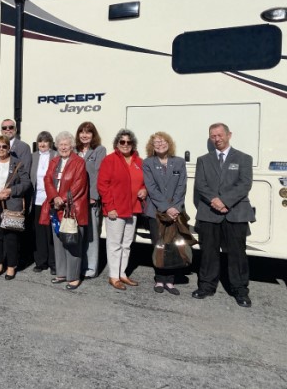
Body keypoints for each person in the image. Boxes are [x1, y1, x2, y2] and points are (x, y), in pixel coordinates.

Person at [192, 123, 255, 308]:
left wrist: (225, 201)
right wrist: (214, 200)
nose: (217, 139)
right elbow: (200, 184)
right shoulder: (203, 160)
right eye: (213, 136)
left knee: (237, 255)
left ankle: (240, 290)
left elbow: (245, 184)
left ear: (229, 135)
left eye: (220, 135)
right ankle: (206, 287)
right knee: (208, 253)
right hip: (209, 213)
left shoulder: (244, 158)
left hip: (235, 213)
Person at [98, 129, 147, 291]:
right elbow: (102, 186)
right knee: (114, 244)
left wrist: (144, 189)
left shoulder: (139, 162)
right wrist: (109, 207)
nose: (125, 145)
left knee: (127, 244)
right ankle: (113, 276)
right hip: (116, 210)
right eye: (122, 142)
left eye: (128, 142)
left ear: (133, 144)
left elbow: (145, 181)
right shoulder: (109, 160)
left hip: (133, 208)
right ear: (117, 144)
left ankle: (122, 274)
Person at [39, 131, 88, 290]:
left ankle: (73, 276)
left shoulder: (79, 162)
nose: (63, 147)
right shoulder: (54, 161)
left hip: (71, 209)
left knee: (72, 242)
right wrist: (54, 197)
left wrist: (63, 199)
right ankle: (61, 273)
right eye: (61, 144)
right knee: (59, 241)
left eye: (66, 144)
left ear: (72, 146)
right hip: (56, 207)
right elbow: (47, 179)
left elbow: (79, 185)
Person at [143, 132, 187, 295]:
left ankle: (171, 281)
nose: (160, 144)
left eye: (163, 141)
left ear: (169, 143)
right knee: (159, 245)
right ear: (152, 147)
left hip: (176, 211)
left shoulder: (179, 162)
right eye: (156, 143)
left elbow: (182, 186)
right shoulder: (148, 163)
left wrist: (175, 207)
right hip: (156, 212)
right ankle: (160, 279)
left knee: (173, 245)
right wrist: (166, 208)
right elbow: (151, 188)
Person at [0, 135, 31, 280]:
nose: (1, 149)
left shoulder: (17, 163)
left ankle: (11, 266)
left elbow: (26, 183)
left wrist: (11, 191)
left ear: (9, 148)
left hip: (11, 205)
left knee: (11, 237)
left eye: (4, 146)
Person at [75, 121, 106, 279]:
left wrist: (94, 196)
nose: (84, 135)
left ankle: (90, 268)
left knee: (91, 236)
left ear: (93, 135)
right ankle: (77, 265)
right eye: (82, 132)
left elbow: (100, 174)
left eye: (88, 132)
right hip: (75, 200)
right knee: (76, 234)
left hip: (90, 199)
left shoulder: (99, 150)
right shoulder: (74, 150)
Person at [30, 131, 57, 274]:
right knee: (39, 232)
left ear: (50, 143)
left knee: (52, 233)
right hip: (37, 200)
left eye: (45, 141)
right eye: (40, 141)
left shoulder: (56, 155)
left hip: (51, 199)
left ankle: (53, 263)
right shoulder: (33, 156)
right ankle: (41, 262)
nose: (42, 144)